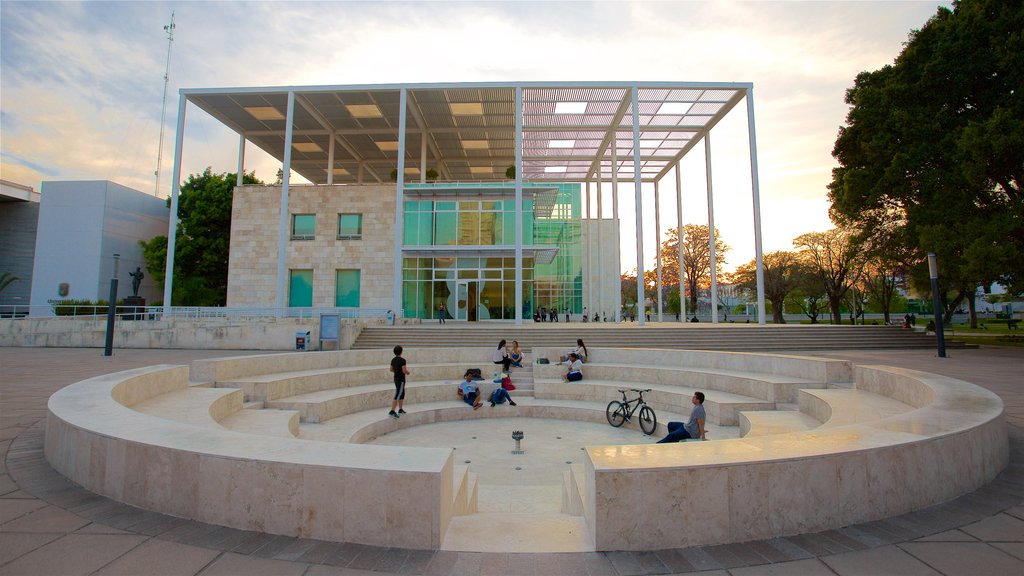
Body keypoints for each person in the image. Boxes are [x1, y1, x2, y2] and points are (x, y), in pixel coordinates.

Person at [388, 345, 409, 418]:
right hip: (401, 380)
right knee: (398, 394)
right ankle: (392, 411)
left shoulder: (393, 360)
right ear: (401, 352)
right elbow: (404, 370)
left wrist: (396, 371)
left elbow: (391, 369)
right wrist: (407, 372)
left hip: (396, 379)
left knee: (401, 394)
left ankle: (400, 409)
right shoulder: (403, 360)